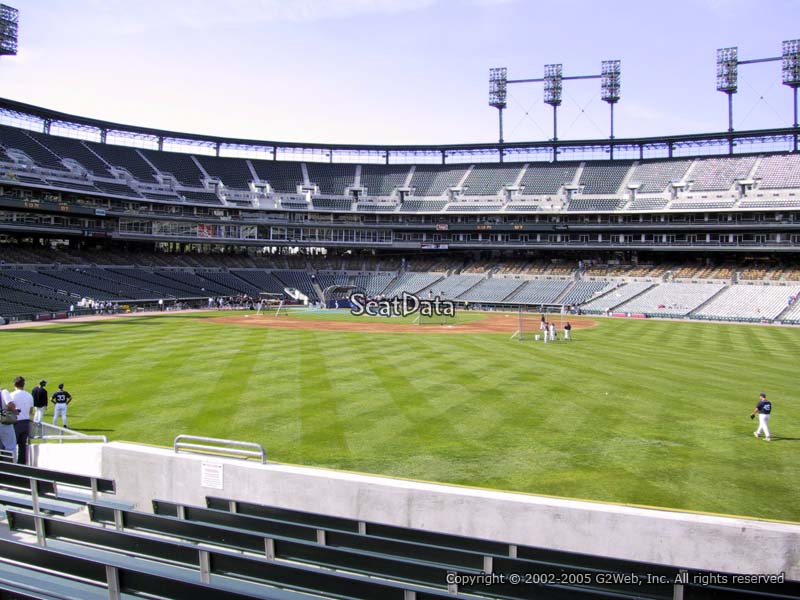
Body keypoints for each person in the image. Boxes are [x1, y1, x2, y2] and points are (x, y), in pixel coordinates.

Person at [9, 376, 33, 464]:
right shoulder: (29, 395)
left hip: (16, 423)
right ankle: (22, 465)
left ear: (14, 384)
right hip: (26, 422)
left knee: (11, 445)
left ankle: (10, 464)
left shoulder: (11, 395)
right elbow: (31, 410)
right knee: (22, 445)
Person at [0, 384, 17, 458]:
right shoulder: (3, 392)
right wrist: (15, 411)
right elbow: (10, 404)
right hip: (3, 422)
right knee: (10, 447)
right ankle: (11, 468)